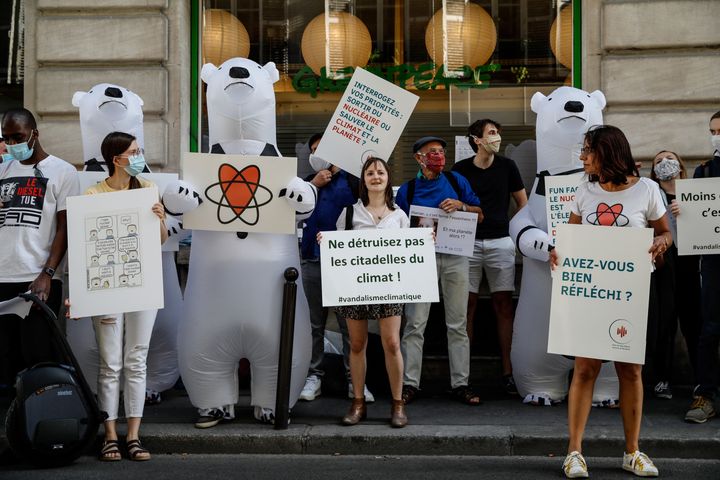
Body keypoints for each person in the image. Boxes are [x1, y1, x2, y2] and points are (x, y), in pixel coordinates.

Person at [551, 125, 667, 478]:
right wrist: (558, 252)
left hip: (630, 295)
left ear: (608, 152)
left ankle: (632, 451)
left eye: (588, 150)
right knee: (586, 369)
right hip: (591, 296)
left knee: (630, 371)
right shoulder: (584, 192)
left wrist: (663, 243)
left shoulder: (646, 190)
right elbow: (568, 238)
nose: (583, 157)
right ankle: (574, 452)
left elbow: (665, 233)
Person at [78, 131, 167, 461]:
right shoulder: (93, 194)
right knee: (111, 362)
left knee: (136, 358)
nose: (140, 155)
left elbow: (158, 241)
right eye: (134, 151)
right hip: (108, 287)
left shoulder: (147, 190)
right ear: (116, 160)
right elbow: (87, 247)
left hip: (143, 284)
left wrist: (159, 218)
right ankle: (110, 435)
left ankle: (134, 434)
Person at [395, 136, 484, 405]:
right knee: (415, 324)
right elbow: (396, 225)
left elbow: (480, 214)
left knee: (457, 324)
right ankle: (409, 384)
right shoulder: (407, 190)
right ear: (418, 158)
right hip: (420, 261)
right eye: (431, 152)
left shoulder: (457, 181)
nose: (438, 155)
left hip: (456, 257)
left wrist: (462, 206)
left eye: (441, 151)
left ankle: (461, 384)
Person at [0, 108, 80, 393]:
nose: (12, 144)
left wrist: (48, 272)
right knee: (5, 362)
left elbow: (64, 227)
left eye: (17, 137)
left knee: (38, 358)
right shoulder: (3, 170)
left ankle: (38, 427)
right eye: (7, 138)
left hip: (37, 279)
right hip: (2, 278)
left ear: (35, 133)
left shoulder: (62, 171)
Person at [331, 157, 410, 427]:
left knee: (392, 343)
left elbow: (407, 253)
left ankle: (398, 404)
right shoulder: (350, 214)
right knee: (356, 344)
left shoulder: (400, 216)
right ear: (363, 180)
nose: (375, 176)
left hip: (390, 287)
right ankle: (358, 402)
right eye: (370, 173)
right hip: (356, 288)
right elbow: (338, 250)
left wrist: (424, 242)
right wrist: (327, 242)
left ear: (388, 178)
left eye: (380, 172)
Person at [452, 119, 527, 395]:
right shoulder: (459, 170)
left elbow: (523, 202)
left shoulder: (508, 166)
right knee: (465, 307)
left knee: (504, 305)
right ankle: (463, 375)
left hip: (500, 242)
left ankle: (508, 372)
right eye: (492, 133)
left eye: (498, 131)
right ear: (477, 139)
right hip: (466, 244)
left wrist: (511, 228)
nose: (497, 137)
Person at [299, 133, 374, 403]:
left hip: (345, 263)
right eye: (314, 149)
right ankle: (314, 376)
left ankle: (355, 381)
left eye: (322, 148)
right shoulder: (305, 183)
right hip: (312, 259)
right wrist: (314, 186)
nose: (318, 153)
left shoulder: (354, 180)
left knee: (349, 326)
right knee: (314, 324)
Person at [647, 150, 701, 400]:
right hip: (663, 264)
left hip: (692, 263)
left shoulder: (696, 194)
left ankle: (702, 380)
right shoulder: (651, 194)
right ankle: (661, 379)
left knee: (695, 323)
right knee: (664, 322)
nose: (664, 163)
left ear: (680, 165)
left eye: (669, 159)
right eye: (658, 161)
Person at [684, 111, 720, 424]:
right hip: (713, 262)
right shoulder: (705, 171)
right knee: (710, 327)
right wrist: (686, 211)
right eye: (712, 131)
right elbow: (697, 215)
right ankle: (706, 393)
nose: (716, 136)